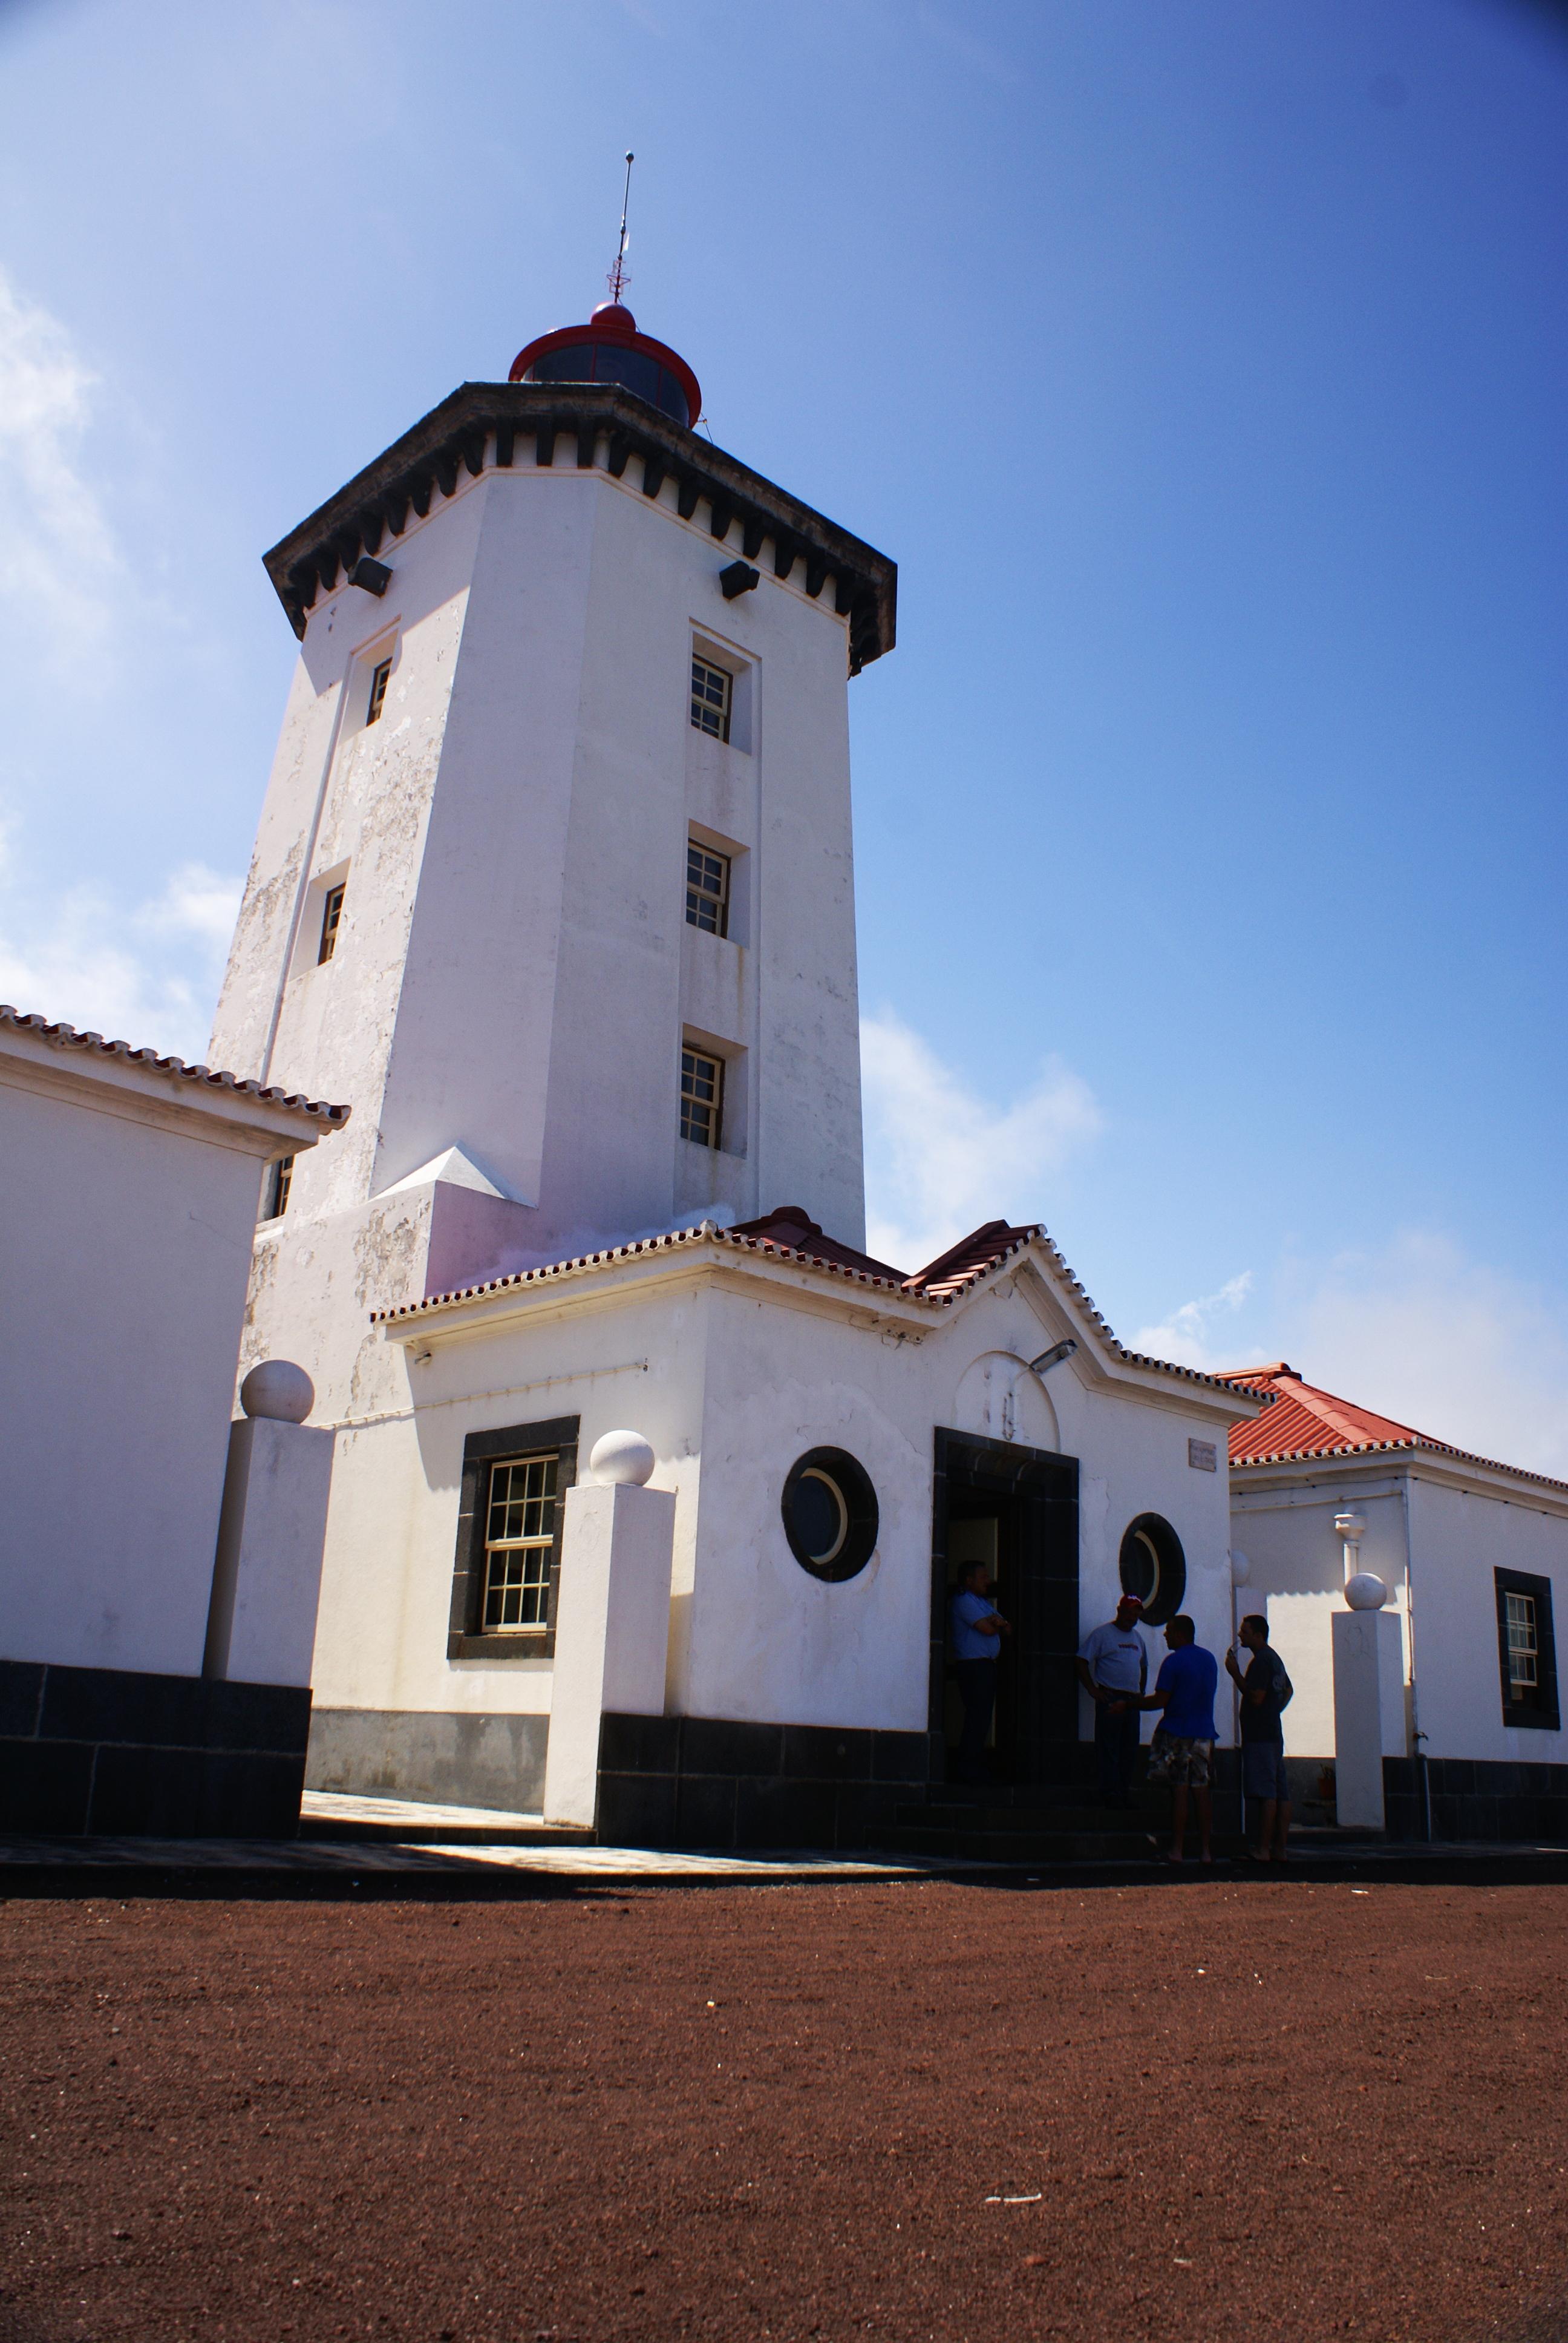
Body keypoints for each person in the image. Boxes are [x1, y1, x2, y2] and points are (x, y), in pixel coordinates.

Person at [1139, 1614, 1219, 1864]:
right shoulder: (1209, 1659)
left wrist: (1130, 1704)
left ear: (1180, 1634)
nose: (1165, 1635)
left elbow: (1160, 1700)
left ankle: (1177, 1850)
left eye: (1169, 1631)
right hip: (1204, 1732)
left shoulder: (1173, 1662)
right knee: (1202, 1791)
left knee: (1180, 1791)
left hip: (1177, 1732)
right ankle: (1206, 1851)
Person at [1226, 1613, 1294, 1861]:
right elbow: (1288, 1690)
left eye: (1245, 1632)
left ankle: (1263, 1849)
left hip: (1260, 1736)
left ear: (1258, 1635)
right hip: (1273, 1734)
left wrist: (1235, 1673)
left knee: (1267, 1793)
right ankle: (1280, 1849)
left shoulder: (1261, 1662)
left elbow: (1256, 1697)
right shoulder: (1274, 1659)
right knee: (1280, 1792)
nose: (1240, 1635)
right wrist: (1274, 1712)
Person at [1075, 1594, 1149, 1808]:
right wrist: (1092, 1689)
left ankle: (1124, 1793)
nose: (1132, 1616)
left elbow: (1143, 1666)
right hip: (1111, 1698)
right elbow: (1081, 1660)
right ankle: (1109, 1794)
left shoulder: (1138, 1639)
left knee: (1129, 1750)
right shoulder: (1102, 1634)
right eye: (1129, 1611)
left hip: (1132, 1701)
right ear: (1119, 1611)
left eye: (1136, 1613)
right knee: (1109, 1749)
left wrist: (1141, 1691)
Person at [949, 1559, 1010, 1784]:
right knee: (976, 1718)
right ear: (969, 1580)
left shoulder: (983, 1603)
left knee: (983, 1719)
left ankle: (974, 1766)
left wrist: (1000, 1624)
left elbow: (1008, 1628)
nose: (988, 1581)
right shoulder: (963, 1601)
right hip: (973, 1667)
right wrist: (998, 1624)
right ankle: (967, 1769)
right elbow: (987, 1629)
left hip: (986, 1666)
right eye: (983, 1577)